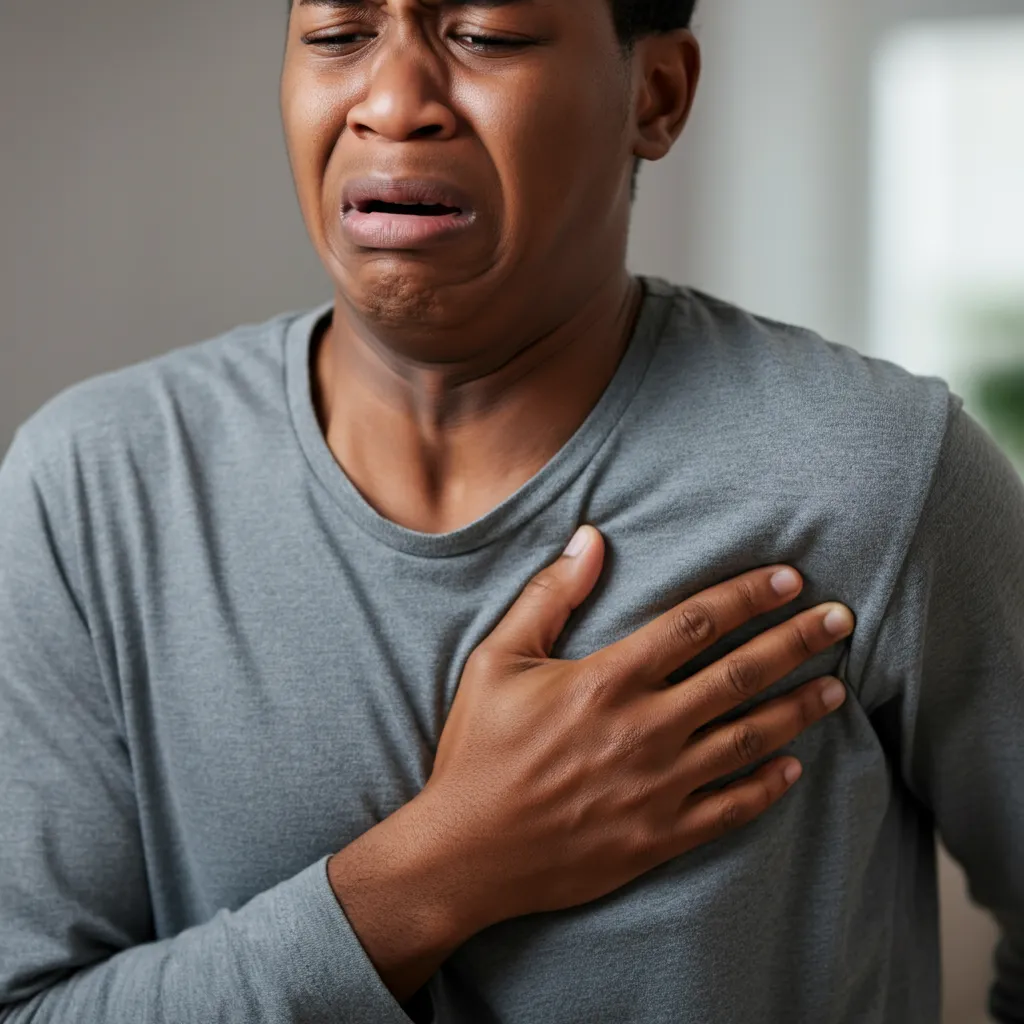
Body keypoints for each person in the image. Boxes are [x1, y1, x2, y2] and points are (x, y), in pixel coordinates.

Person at [1, 0, 1022, 1021]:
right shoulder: (92, 487)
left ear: (656, 96)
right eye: (336, 35)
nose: (393, 102)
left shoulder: (877, 471)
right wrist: (449, 862)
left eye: (484, 34)